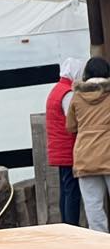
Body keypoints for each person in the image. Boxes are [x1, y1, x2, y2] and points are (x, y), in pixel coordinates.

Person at [68, 55, 110, 234]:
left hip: (85, 156)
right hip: (108, 153)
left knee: (93, 205)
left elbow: (70, 126)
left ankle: (101, 246)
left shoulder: (76, 98)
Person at [46, 57, 83, 226]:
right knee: (72, 191)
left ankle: (65, 225)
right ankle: (72, 226)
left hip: (59, 148)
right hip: (68, 147)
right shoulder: (67, 93)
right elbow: (72, 120)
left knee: (65, 189)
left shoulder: (56, 90)